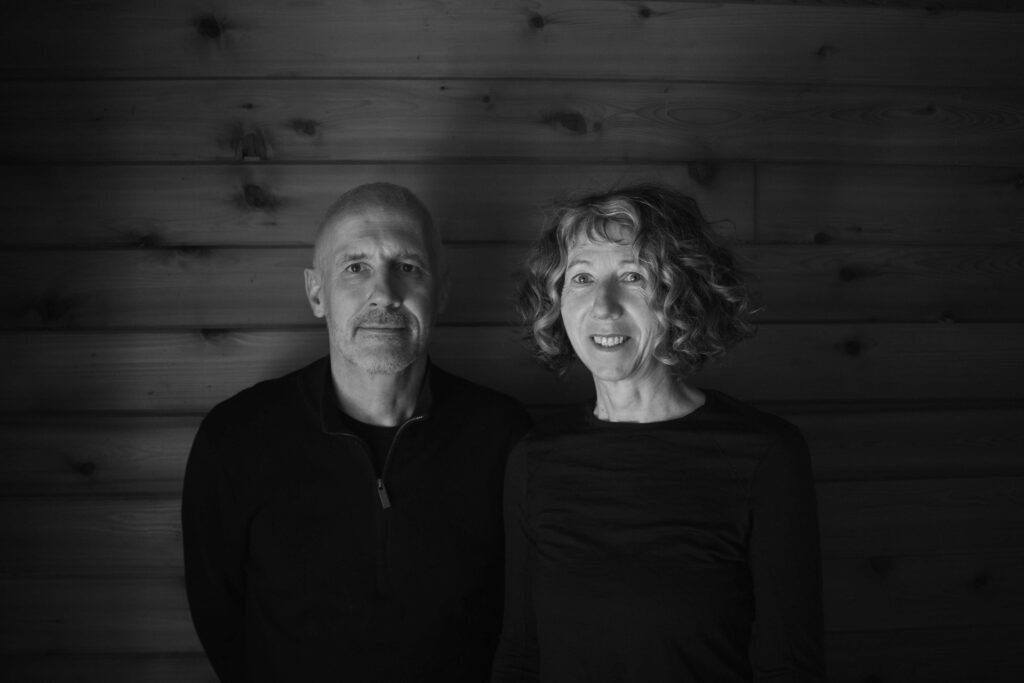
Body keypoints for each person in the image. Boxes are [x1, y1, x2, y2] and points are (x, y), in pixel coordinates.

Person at [182, 182, 532, 682]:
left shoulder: (506, 436)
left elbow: (525, 622)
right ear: (316, 292)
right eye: (355, 268)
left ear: (441, 291)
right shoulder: (235, 439)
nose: (385, 293)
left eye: (407, 267)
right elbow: (219, 616)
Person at [492, 184, 824, 682]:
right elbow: (521, 654)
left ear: (681, 295)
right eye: (581, 278)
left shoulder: (765, 455)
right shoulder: (534, 460)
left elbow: (790, 667)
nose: (603, 306)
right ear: (557, 300)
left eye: (633, 276)